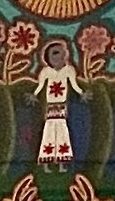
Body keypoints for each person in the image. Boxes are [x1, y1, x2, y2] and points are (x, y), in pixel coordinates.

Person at [34, 37, 80, 169]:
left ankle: (61, 162)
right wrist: (34, 95)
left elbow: (75, 85)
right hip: (51, 107)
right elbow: (40, 87)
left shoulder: (69, 71)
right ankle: (46, 162)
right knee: (48, 132)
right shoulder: (46, 72)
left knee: (62, 132)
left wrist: (82, 93)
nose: (61, 56)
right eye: (55, 53)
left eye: (63, 52)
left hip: (61, 107)